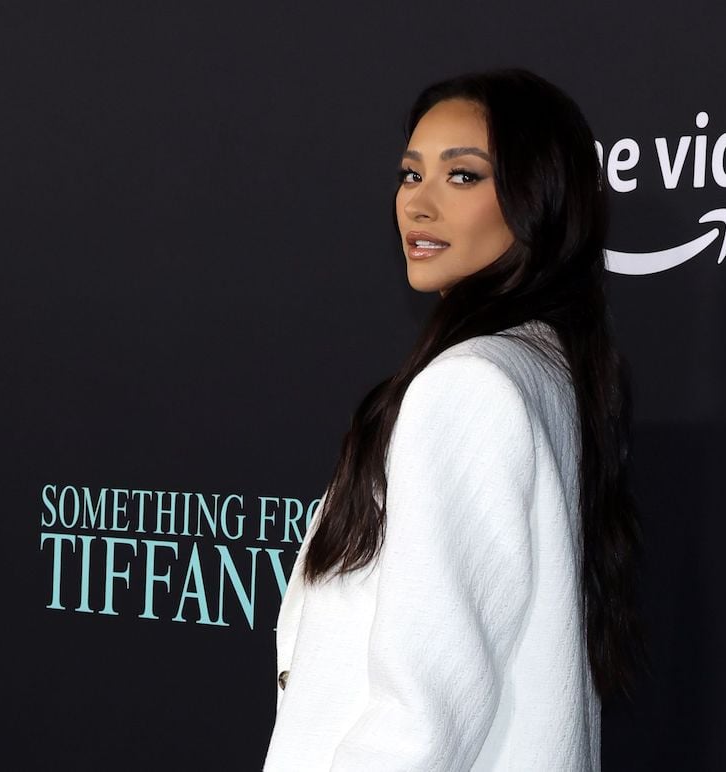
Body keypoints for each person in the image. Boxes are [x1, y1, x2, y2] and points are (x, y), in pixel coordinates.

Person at [263, 67, 643, 771]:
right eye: (411, 175)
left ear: (536, 201)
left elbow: (422, 719)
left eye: (462, 176)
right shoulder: (546, 368)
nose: (419, 204)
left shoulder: (470, 386)